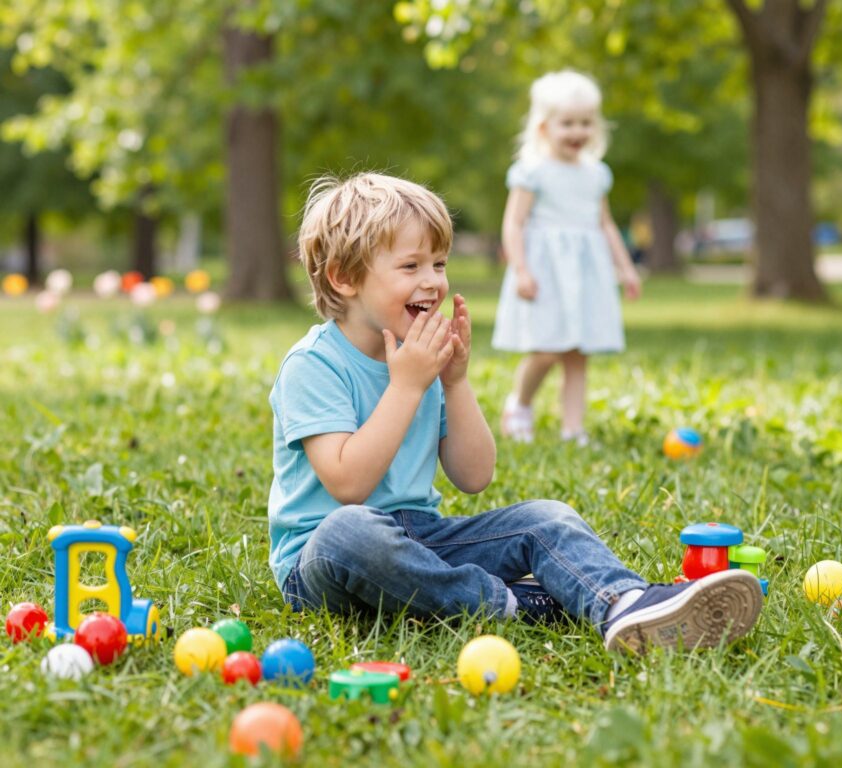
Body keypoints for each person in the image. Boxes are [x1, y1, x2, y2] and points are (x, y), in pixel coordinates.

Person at [268, 172, 763, 654]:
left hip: (422, 536)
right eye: (411, 266)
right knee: (350, 532)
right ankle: (513, 605)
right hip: (324, 560)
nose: (432, 282)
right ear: (344, 278)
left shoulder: (422, 362)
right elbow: (348, 486)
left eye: (439, 264)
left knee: (545, 518)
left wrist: (454, 381)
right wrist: (406, 386)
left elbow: (475, 475)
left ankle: (626, 603)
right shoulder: (315, 365)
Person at [493, 71, 642, 446]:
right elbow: (513, 223)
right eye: (568, 123)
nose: (578, 131)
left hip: (586, 274)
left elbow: (606, 225)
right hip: (546, 271)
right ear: (544, 126)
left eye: (586, 123)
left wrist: (625, 269)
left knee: (578, 353)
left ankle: (573, 428)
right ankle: (520, 404)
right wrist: (521, 268)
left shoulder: (596, 174)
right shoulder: (533, 171)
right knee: (546, 349)